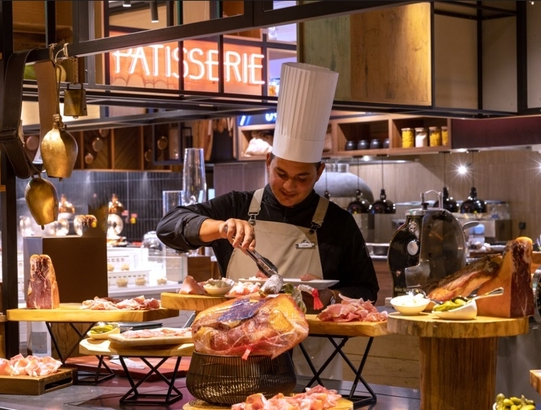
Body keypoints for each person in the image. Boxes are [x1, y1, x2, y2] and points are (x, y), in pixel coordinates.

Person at [156, 63, 379, 378]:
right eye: (281, 173)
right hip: (236, 365)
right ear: (268, 162)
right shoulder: (238, 205)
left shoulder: (338, 223)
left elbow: (367, 289)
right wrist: (220, 227)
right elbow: (168, 226)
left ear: (319, 172)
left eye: (302, 178)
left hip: (312, 368)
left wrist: (328, 295)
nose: (289, 185)